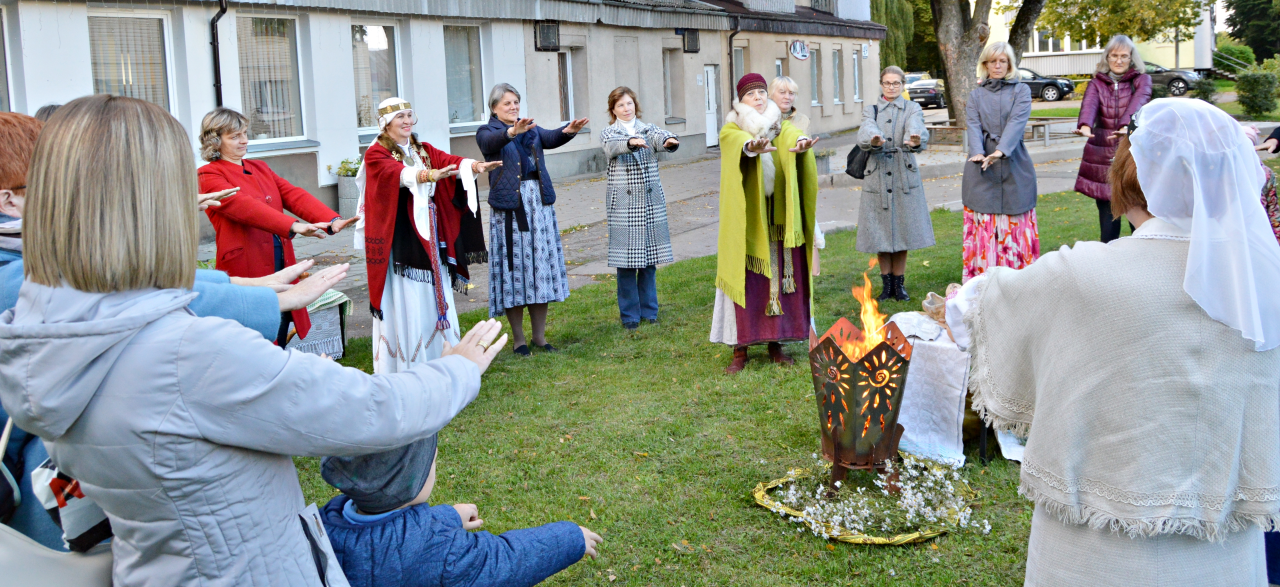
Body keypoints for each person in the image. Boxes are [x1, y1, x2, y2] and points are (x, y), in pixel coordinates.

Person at [0, 94, 508, 586]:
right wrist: (456, 369)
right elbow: (367, 411)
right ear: (153, 207)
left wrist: (308, 226)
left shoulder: (52, 339)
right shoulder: (188, 356)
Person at [948, 98, 1280, 585]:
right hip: (1219, 546)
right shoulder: (1262, 290)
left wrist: (963, 297)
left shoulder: (1084, 274)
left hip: (1097, 549)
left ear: (1128, 176)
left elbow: (977, 311)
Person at [320, 434, 602, 587]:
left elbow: (392, 534)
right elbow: (505, 561)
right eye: (429, 461)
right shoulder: (447, 552)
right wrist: (569, 538)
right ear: (411, 480)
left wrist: (450, 516)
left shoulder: (326, 524)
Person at [354, 97, 500, 374]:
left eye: (410, 115)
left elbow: (448, 161)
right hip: (401, 240)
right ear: (386, 123)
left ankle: (443, 354)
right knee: (409, 295)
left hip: (431, 233)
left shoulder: (421, 148)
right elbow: (396, 173)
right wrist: (427, 175)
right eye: (401, 117)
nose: (408, 121)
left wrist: (473, 166)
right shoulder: (376, 153)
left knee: (437, 288)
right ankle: (411, 360)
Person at [198, 107, 359, 346]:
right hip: (246, 263)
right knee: (253, 331)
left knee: (281, 322)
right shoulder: (208, 174)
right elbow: (243, 208)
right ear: (215, 141)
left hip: (279, 257)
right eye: (234, 136)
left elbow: (293, 195)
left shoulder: (260, 167)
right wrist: (294, 225)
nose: (244, 140)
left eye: (244, 133)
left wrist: (332, 220)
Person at [710, 73, 819, 374]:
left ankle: (776, 343)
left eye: (761, 92)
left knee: (783, 275)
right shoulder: (733, 128)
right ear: (741, 100)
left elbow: (788, 135)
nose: (758, 97)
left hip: (777, 215)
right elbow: (736, 143)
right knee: (745, 277)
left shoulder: (778, 124)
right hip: (747, 220)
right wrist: (751, 147)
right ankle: (740, 347)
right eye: (751, 94)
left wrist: (801, 142)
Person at [477, 83, 588, 355]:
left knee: (539, 268)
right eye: (507, 103)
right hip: (510, 208)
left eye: (516, 102)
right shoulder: (487, 132)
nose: (513, 107)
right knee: (515, 270)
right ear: (494, 107)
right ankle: (519, 340)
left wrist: (568, 132)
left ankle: (539, 337)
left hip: (538, 203)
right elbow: (492, 143)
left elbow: (549, 137)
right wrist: (512, 131)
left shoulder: (530, 128)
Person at [599, 86, 678, 329]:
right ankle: (630, 316)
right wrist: (631, 142)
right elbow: (612, 146)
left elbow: (658, 137)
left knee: (648, 262)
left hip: (649, 204)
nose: (626, 109)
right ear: (613, 109)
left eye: (629, 104)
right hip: (624, 205)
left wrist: (669, 141)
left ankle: (650, 312)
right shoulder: (608, 133)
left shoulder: (648, 128)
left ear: (635, 105)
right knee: (625, 264)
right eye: (620, 105)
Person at [961, 42, 1039, 283]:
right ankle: (982, 281)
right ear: (985, 64)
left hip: (1015, 162)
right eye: (992, 61)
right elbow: (973, 124)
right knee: (984, 218)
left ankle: (1018, 281)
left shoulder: (1021, 91)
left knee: (1014, 215)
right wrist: (976, 151)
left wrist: (1001, 151)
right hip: (981, 166)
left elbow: (1017, 122)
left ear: (1009, 64)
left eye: (1002, 61)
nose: (997, 65)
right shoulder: (975, 95)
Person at [855, 66, 933, 301]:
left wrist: (915, 137)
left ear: (902, 85)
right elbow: (866, 128)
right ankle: (886, 286)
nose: (891, 87)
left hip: (903, 175)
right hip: (877, 175)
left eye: (896, 83)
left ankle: (899, 285)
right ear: (881, 84)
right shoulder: (871, 110)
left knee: (902, 232)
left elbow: (916, 125)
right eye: (887, 83)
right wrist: (874, 139)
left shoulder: (912, 107)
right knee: (880, 233)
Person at [1072, 35, 1152, 243]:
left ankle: (1141, 262)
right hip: (1102, 157)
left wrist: (1126, 127)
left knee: (1138, 220)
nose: (1118, 60)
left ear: (1131, 58)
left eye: (1124, 56)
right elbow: (1089, 105)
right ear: (1107, 57)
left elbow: (1139, 103)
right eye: (1114, 56)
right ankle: (1110, 265)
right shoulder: (1096, 83)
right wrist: (1085, 126)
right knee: (1108, 224)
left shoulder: (1142, 80)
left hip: (1132, 157)